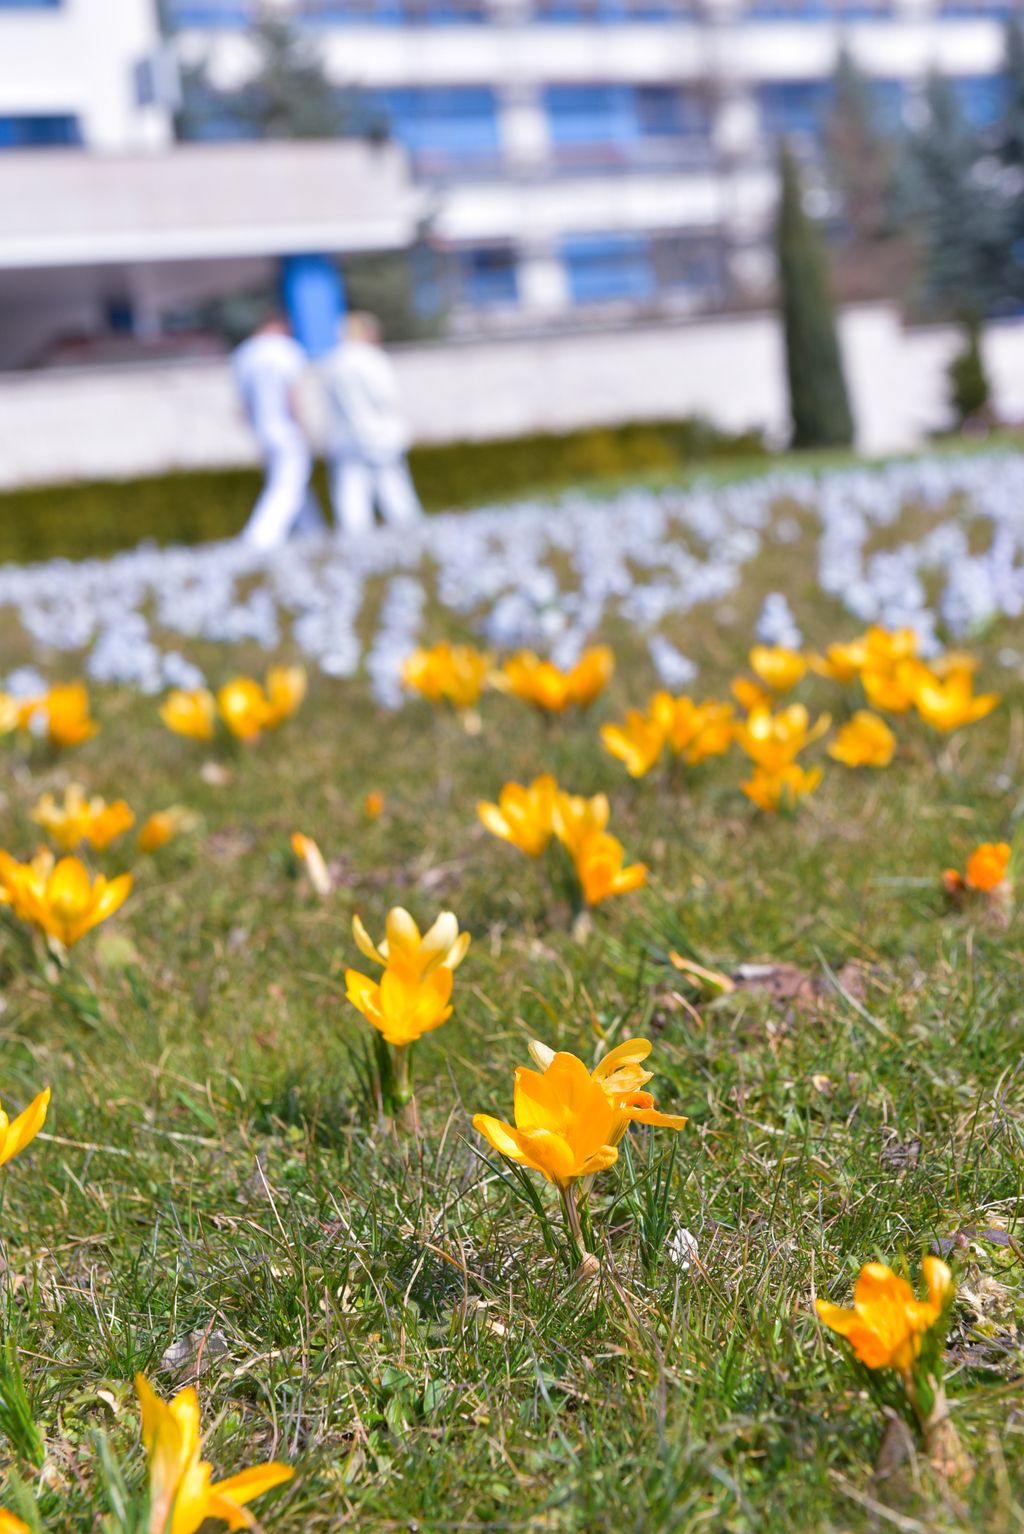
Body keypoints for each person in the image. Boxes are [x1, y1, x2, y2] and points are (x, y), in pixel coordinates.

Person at [320, 312, 423, 536]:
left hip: (346, 436)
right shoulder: (372, 358)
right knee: (393, 486)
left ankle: (354, 536)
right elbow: (386, 397)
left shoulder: (333, 361)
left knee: (351, 490)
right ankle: (409, 532)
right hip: (378, 432)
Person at [231, 314, 321, 550]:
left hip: (262, 429)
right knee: (287, 485)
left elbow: (244, 403)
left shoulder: (244, 353)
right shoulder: (286, 350)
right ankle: (259, 538)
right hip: (286, 428)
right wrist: (303, 426)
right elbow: (292, 394)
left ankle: (313, 532)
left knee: (295, 482)